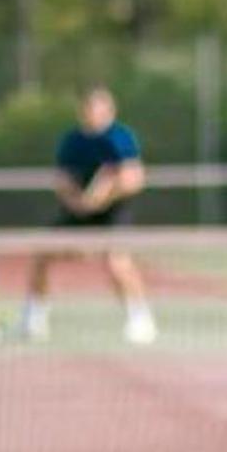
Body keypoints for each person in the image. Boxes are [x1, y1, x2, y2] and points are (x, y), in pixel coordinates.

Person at [20, 86, 156, 345]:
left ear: (110, 111)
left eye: (100, 109)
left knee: (117, 261)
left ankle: (140, 319)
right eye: (90, 109)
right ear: (83, 112)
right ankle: (33, 318)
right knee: (42, 254)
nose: (95, 114)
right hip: (78, 212)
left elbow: (134, 179)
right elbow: (62, 180)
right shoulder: (72, 141)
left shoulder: (120, 138)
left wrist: (103, 196)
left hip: (113, 213)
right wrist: (79, 202)